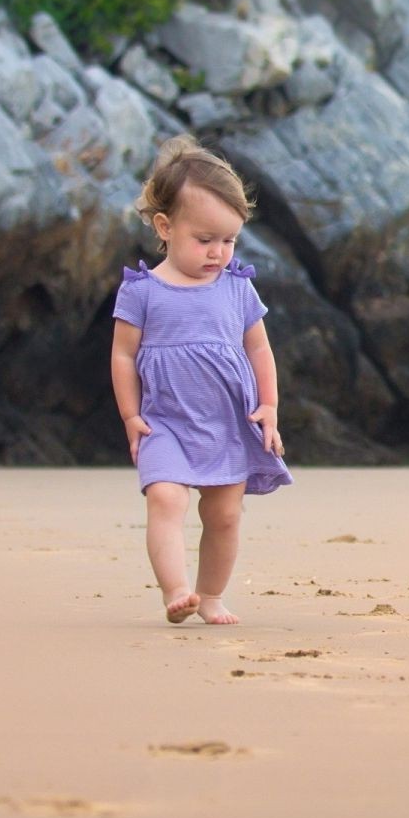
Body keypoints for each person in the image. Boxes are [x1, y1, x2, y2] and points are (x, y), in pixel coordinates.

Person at [111, 134, 293, 626]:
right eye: (205, 239)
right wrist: (131, 415)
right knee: (166, 498)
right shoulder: (142, 291)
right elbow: (123, 356)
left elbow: (259, 348)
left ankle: (211, 595)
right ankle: (177, 590)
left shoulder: (237, 286)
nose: (219, 252)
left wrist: (269, 407)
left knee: (224, 515)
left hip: (228, 419)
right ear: (166, 228)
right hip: (164, 420)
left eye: (229, 240)